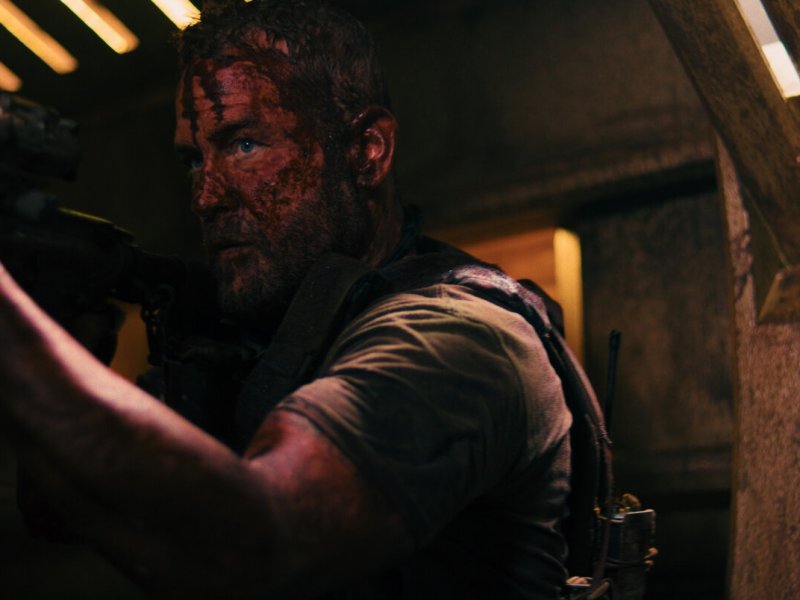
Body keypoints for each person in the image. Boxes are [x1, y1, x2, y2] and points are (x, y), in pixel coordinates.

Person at [0, 0, 573, 597]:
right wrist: (64, 335)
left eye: (244, 145)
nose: (205, 197)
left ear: (368, 150)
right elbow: (66, 509)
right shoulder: (278, 340)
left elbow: (262, 544)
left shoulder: (456, 337)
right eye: (194, 159)